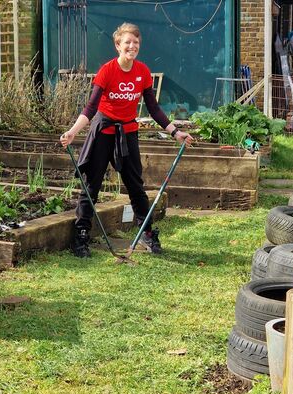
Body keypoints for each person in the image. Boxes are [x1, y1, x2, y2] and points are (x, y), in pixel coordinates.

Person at [60, 22, 193, 258]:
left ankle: (146, 232)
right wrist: (73, 132)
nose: (132, 46)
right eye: (127, 42)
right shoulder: (107, 71)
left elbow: (153, 108)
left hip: (127, 133)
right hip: (103, 131)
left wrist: (175, 132)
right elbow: (91, 108)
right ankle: (81, 235)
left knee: (135, 185)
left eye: (136, 43)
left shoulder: (142, 72)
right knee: (91, 185)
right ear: (117, 45)